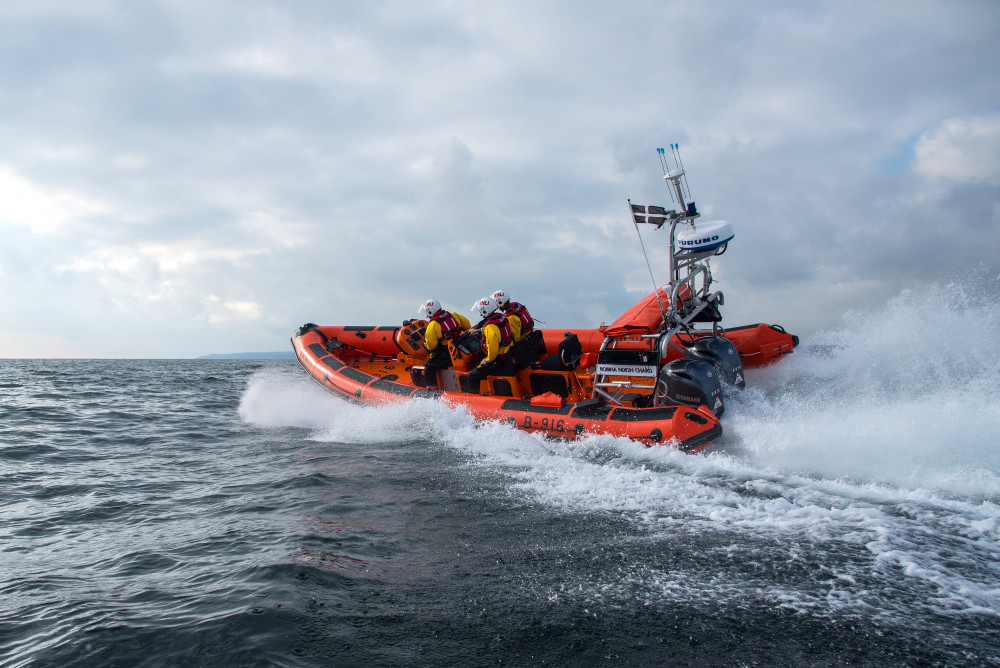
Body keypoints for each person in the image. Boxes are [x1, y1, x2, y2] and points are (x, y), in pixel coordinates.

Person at [419, 298, 471, 390]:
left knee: (429, 366)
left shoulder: (433, 325)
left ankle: (432, 388)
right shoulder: (454, 315)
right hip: (461, 348)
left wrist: (425, 345)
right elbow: (467, 325)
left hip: (447, 353)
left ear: (429, 311)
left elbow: (431, 346)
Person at [491, 289, 544, 370]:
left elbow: (516, 338)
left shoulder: (511, 318)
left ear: (501, 303)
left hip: (524, 344)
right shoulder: (516, 306)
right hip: (530, 336)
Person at [467, 296, 515, 380]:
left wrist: (487, 360)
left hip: (499, 358)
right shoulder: (500, 317)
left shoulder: (490, 327)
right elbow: (492, 330)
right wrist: (477, 330)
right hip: (508, 352)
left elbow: (493, 351)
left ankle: (474, 392)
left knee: (472, 375)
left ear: (484, 310)